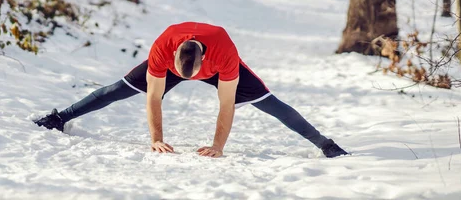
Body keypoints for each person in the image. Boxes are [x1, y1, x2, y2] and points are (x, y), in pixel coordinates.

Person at [34, 22, 348, 158]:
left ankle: (326, 145)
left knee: (271, 103)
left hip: (219, 66)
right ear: (172, 56)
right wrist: (156, 139)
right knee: (118, 89)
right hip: (172, 64)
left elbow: (226, 105)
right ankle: (59, 118)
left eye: (195, 74)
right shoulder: (163, 46)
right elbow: (153, 97)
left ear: (203, 60)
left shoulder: (223, 51)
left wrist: (218, 146)